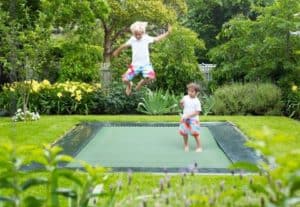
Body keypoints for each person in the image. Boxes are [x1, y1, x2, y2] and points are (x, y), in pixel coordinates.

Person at [112, 21, 172, 95]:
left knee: (151, 77)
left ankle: (140, 84)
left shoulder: (146, 38)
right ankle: (129, 84)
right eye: (136, 34)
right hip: (135, 65)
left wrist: (168, 33)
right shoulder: (132, 39)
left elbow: (157, 39)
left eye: (139, 35)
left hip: (146, 65)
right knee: (124, 79)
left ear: (143, 33)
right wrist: (116, 51)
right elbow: (124, 45)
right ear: (133, 34)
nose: (137, 36)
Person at [179, 83, 202, 152]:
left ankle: (199, 147)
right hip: (185, 119)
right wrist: (181, 103)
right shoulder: (185, 97)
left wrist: (189, 116)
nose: (190, 93)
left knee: (195, 134)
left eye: (192, 91)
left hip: (194, 120)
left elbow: (197, 112)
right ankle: (186, 145)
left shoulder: (197, 101)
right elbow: (182, 107)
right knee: (184, 133)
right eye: (189, 91)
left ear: (197, 93)